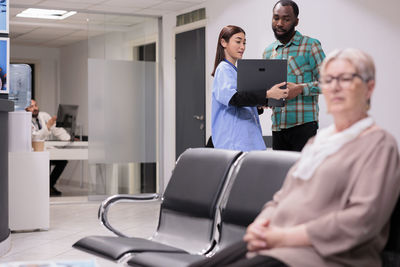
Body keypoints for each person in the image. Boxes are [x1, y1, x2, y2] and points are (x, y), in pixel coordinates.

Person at [190, 49, 400, 267]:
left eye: (345, 79)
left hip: (318, 254)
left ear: (369, 87)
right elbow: (281, 197)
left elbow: (360, 221)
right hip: (276, 244)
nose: (335, 86)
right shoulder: (317, 144)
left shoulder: (378, 145)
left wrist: (284, 237)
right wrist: (260, 225)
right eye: (328, 80)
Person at [211, 25, 288, 151]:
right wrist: (267, 94)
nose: (242, 47)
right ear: (223, 42)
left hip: (248, 141)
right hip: (234, 143)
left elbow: (241, 103)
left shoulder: (235, 71)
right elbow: (234, 99)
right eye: (238, 41)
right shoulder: (223, 69)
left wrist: (258, 105)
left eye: (244, 42)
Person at [263, 0, 326, 152]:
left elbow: (329, 83)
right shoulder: (268, 51)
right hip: (278, 127)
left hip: (303, 126)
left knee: (303, 175)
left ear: (296, 21)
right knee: (281, 175)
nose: (279, 23)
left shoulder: (311, 46)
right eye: (276, 17)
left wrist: (299, 89)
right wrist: (266, 98)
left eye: (286, 19)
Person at [26, 99, 70, 196]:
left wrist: (68, 138)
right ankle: (43, 187)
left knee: (62, 160)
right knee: (46, 160)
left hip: (46, 149)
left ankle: (49, 185)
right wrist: (48, 126)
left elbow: (57, 129)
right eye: (31, 107)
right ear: (25, 109)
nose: (35, 108)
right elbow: (36, 137)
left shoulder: (44, 115)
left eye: (35, 105)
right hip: (33, 151)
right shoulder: (25, 121)